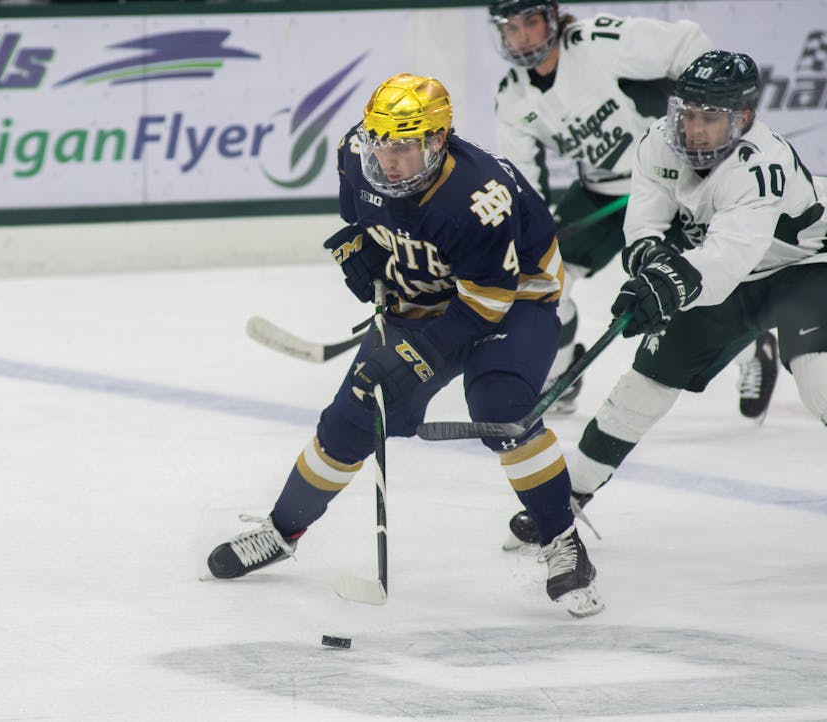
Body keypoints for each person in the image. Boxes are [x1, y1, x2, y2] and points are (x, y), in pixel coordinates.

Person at [207, 72, 604, 617]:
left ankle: (564, 542)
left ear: (437, 143)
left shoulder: (477, 197)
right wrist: (359, 249)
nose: (387, 161)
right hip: (425, 297)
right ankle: (282, 532)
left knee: (503, 409)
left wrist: (417, 357)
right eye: (381, 145)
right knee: (349, 419)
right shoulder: (356, 151)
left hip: (514, 304)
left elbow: (484, 304)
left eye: (404, 148)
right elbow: (358, 213)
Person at [505, 50, 827, 546]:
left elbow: (725, 261)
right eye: (688, 114)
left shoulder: (761, 164)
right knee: (645, 382)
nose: (694, 130)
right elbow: (645, 225)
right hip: (722, 272)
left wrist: (668, 285)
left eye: (710, 118)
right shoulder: (658, 142)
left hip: (803, 269)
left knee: (819, 381)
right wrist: (649, 267)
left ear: (742, 118)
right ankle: (562, 504)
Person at [487, 0, 778, 419]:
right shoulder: (511, 96)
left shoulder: (597, 42)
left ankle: (753, 350)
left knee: (692, 284)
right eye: (511, 28)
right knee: (540, 278)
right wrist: (527, 233)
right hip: (600, 192)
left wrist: (697, 123)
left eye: (530, 22)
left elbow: (688, 44)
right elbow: (523, 180)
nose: (523, 37)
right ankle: (559, 372)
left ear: (552, 17)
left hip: (666, 182)